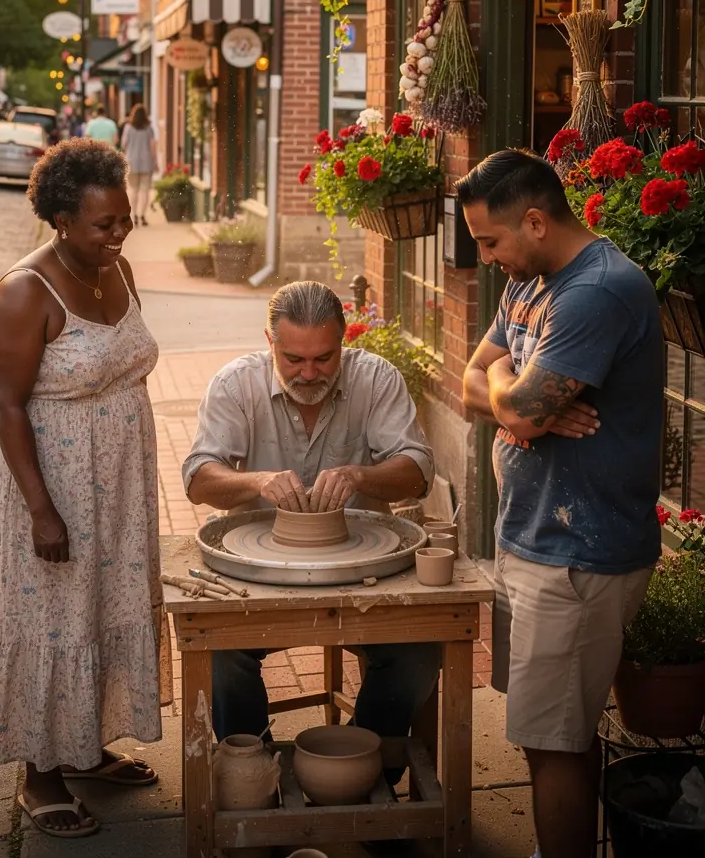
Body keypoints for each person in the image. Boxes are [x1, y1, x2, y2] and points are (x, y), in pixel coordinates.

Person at [457, 149, 663, 858]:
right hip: (538, 539)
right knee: (556, 737)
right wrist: (515, 396)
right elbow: (470, 387)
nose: (485, 259)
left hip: (578, 558)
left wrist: (513, 392)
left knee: (551, 746)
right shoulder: (531, 280)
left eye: (490, 242)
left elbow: (515, 409)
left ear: (537, 221)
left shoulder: (595, 292)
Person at [0, 139, 173, 839]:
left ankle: (84, 747)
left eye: (123, 221)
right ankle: (40, 774)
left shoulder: (118, 269)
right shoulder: (25, 291)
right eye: (101, 224)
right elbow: (6, 404)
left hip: (117, 481)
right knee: (53, 621)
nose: (117, 234)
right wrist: (41, 509)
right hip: (52, 481)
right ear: (60, 220)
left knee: (99, 611)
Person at [182, 281, 441, 779]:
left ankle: (366, 774)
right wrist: (256, 480)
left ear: (343, 340)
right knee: (219, 653)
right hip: (258, 572)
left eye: (324, 358)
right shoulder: (236, 384)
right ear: (269, 341)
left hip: (360, 570)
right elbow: (198, 479)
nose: (309, 373)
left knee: (417, 653)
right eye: (294, 359)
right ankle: (254, 775)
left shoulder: (375, 378)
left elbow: (418, 469)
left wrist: (359, 476)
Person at [120, 103, 157, 226]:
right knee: (145, 190)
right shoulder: (149, 128)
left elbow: (124, 144)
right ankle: (142, 215)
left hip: (132, 162)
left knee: (133, 190)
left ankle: (134, 215)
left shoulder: (128, 127)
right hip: (146, 162)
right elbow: (152, 146)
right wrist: (155, 161)